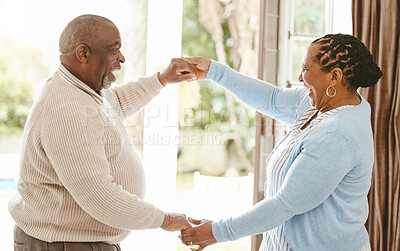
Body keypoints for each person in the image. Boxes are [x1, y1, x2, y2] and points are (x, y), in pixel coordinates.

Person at [9, 14, 196, 251]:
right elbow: (102, 199)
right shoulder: (66, 108)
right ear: (83, 54)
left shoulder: (81, 91)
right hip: (63, 244)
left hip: (77, 241)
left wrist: (162, 79)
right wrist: (166, 219)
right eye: (114, 50)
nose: (122, 59)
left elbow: (116, 102)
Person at [179, 34, 383, 251]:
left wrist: (216, 232)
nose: (300, 76)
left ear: (334, 76)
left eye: (306, 69)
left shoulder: (337, 135)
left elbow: (285, 205)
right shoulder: (321, 104)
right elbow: (272, 99)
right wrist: (214, 71)